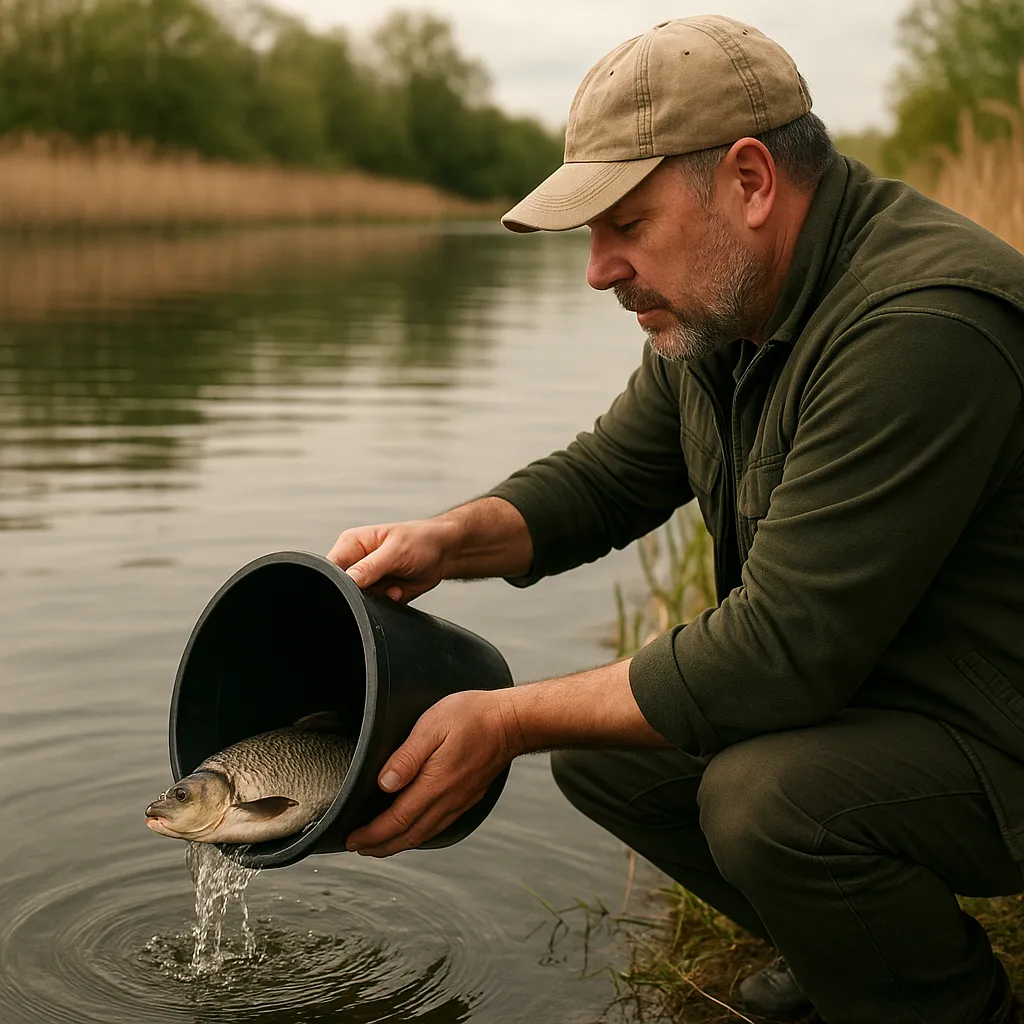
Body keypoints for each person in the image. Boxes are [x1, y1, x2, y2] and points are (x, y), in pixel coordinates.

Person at [327, 15, 1024, 1024]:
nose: (597, 268)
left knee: (766, 804)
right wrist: (447, 538)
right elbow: (608, 476)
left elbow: (779, 653)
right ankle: (852, 953)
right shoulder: (724, 307)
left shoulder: (919, 325)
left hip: (998, 723)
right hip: (894, 692)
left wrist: (505, 718)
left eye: (626, 223)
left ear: (748, 182)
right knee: (607, 757)